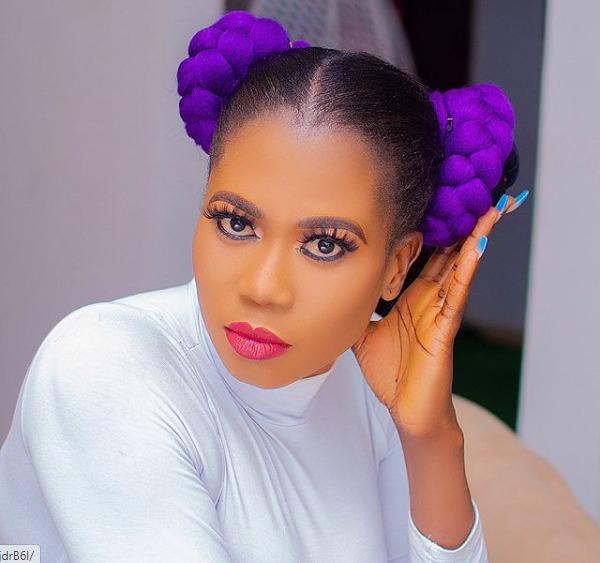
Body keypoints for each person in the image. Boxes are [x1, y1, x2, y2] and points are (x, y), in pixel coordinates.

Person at [0, 11, 528, 562]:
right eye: (236, 223)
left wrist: (431, 435)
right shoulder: (103, 365)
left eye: (324, 245)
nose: (262, 288)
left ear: (398, 267)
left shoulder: (370, 383)